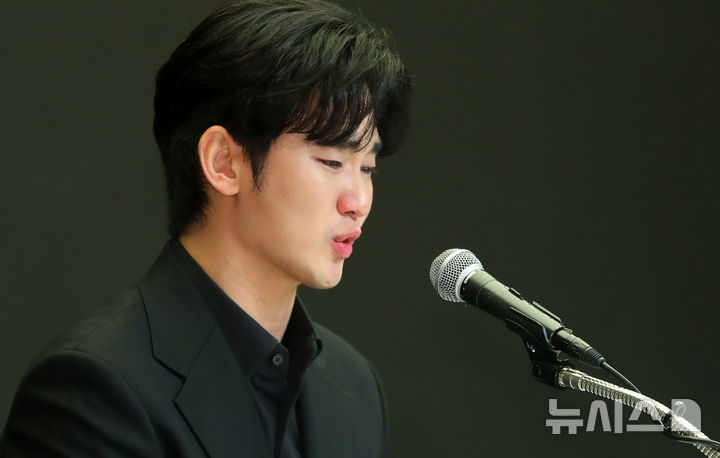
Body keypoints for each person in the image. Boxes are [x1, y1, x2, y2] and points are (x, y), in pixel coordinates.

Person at [0, 1, 412, 456]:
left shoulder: (353, 390)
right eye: (332, 161)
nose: (358, 202)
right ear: (224, 163)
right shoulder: (96, 390)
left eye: (368, 168)